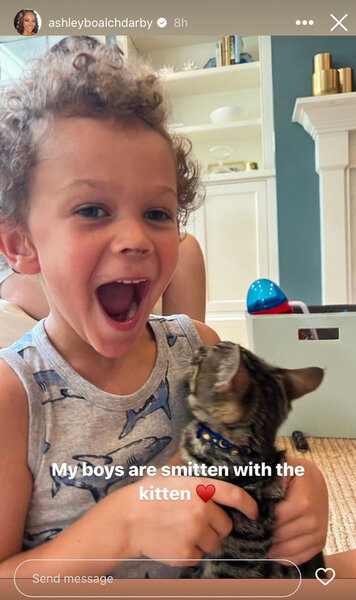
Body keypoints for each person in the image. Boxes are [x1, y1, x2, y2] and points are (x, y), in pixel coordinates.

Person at [0, 39, 328, 579]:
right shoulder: (17, 396)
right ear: (20, 245)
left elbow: (252, 459)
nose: (135, 237)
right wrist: (121, 524)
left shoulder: (195, 349)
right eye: (92, 209)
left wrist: (303, 484)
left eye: (157, 211)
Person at [0, 231, 206, 347]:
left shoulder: (203, 336)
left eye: (156, 213)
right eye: (91, 212)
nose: (134, 242)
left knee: (186, 248)